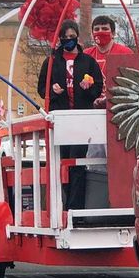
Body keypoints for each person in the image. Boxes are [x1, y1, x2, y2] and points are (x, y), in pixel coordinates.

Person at [37, 20, 104, 209]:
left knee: (78, 163)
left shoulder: (88, 62)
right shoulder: (52, 61)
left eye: (72, 37)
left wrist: (89, 88)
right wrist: (52, 89)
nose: (68, 41)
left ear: (77, 37)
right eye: (65, 38)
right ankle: (62, 204)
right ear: (60, 39)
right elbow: (42, 88)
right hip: (60, 120)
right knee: (61, 163)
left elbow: (98, 87)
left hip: (81, 118)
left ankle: (76, 207)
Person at [83, 15, 134, 108]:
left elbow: (131, 83)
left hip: (117, 106)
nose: (100, 32)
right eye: (97, 29)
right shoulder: (85, 54)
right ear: (92, 34)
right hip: (91, 107)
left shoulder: (125, 53)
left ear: (113, 33)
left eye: (105, 28)